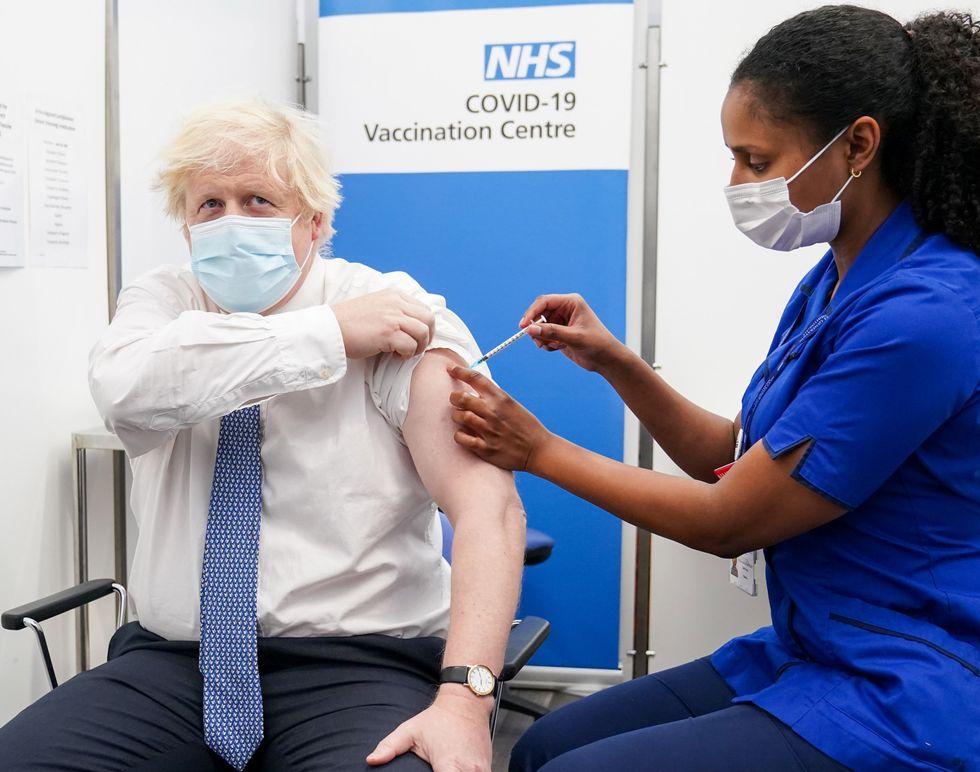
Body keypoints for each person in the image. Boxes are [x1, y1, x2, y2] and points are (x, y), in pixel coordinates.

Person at [447, 6, 980, 771]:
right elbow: (732, 455)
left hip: (905, 682)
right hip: (813, 644)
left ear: (859, 144)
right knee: (541, 747)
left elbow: (730, 518)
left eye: (756, 161)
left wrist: (535, 449)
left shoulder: (927, 315)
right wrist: (616, 362)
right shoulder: (835, 282)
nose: (736, 184)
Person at [0, 101, 526, 772]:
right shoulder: (165, 302)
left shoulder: (397, 310)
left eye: (258, 200)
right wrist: (327, 335)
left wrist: (465, 702)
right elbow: (125, 389)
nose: (232, 221)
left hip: (359, 664)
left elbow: (488, 510)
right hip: (174, 665)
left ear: (315, 220)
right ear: (186, 227)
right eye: (209, 205)